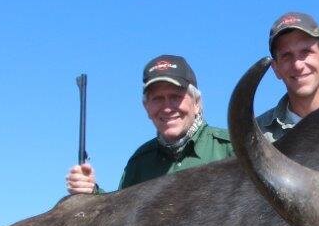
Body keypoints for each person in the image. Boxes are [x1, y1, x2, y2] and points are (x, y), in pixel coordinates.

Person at [65, 54, 233, 194]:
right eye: (157, 99)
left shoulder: (231, 149)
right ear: (146, 108)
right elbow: (120, 220)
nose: (167, 108)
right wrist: (90, 191)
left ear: (196, 103)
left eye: (175, 96)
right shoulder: (139, 163)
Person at [256, 12, 319, 141]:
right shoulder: (257, 136)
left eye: (306, 52)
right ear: (276, 69)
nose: (297, 65)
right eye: (286, 56)